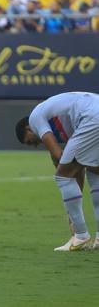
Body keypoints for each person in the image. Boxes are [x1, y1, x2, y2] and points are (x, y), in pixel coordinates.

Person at [15, 92, 99, 251]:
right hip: (93, 110)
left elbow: (58, 156)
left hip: (92, 117)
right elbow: (76, 168)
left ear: (28, 129)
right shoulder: (60, 123)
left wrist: (72, 216)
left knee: (62, 177)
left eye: (29, 141)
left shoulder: (35, 118)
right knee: (95, 173)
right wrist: (74, 205)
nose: (34, 145)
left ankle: (80, 236)